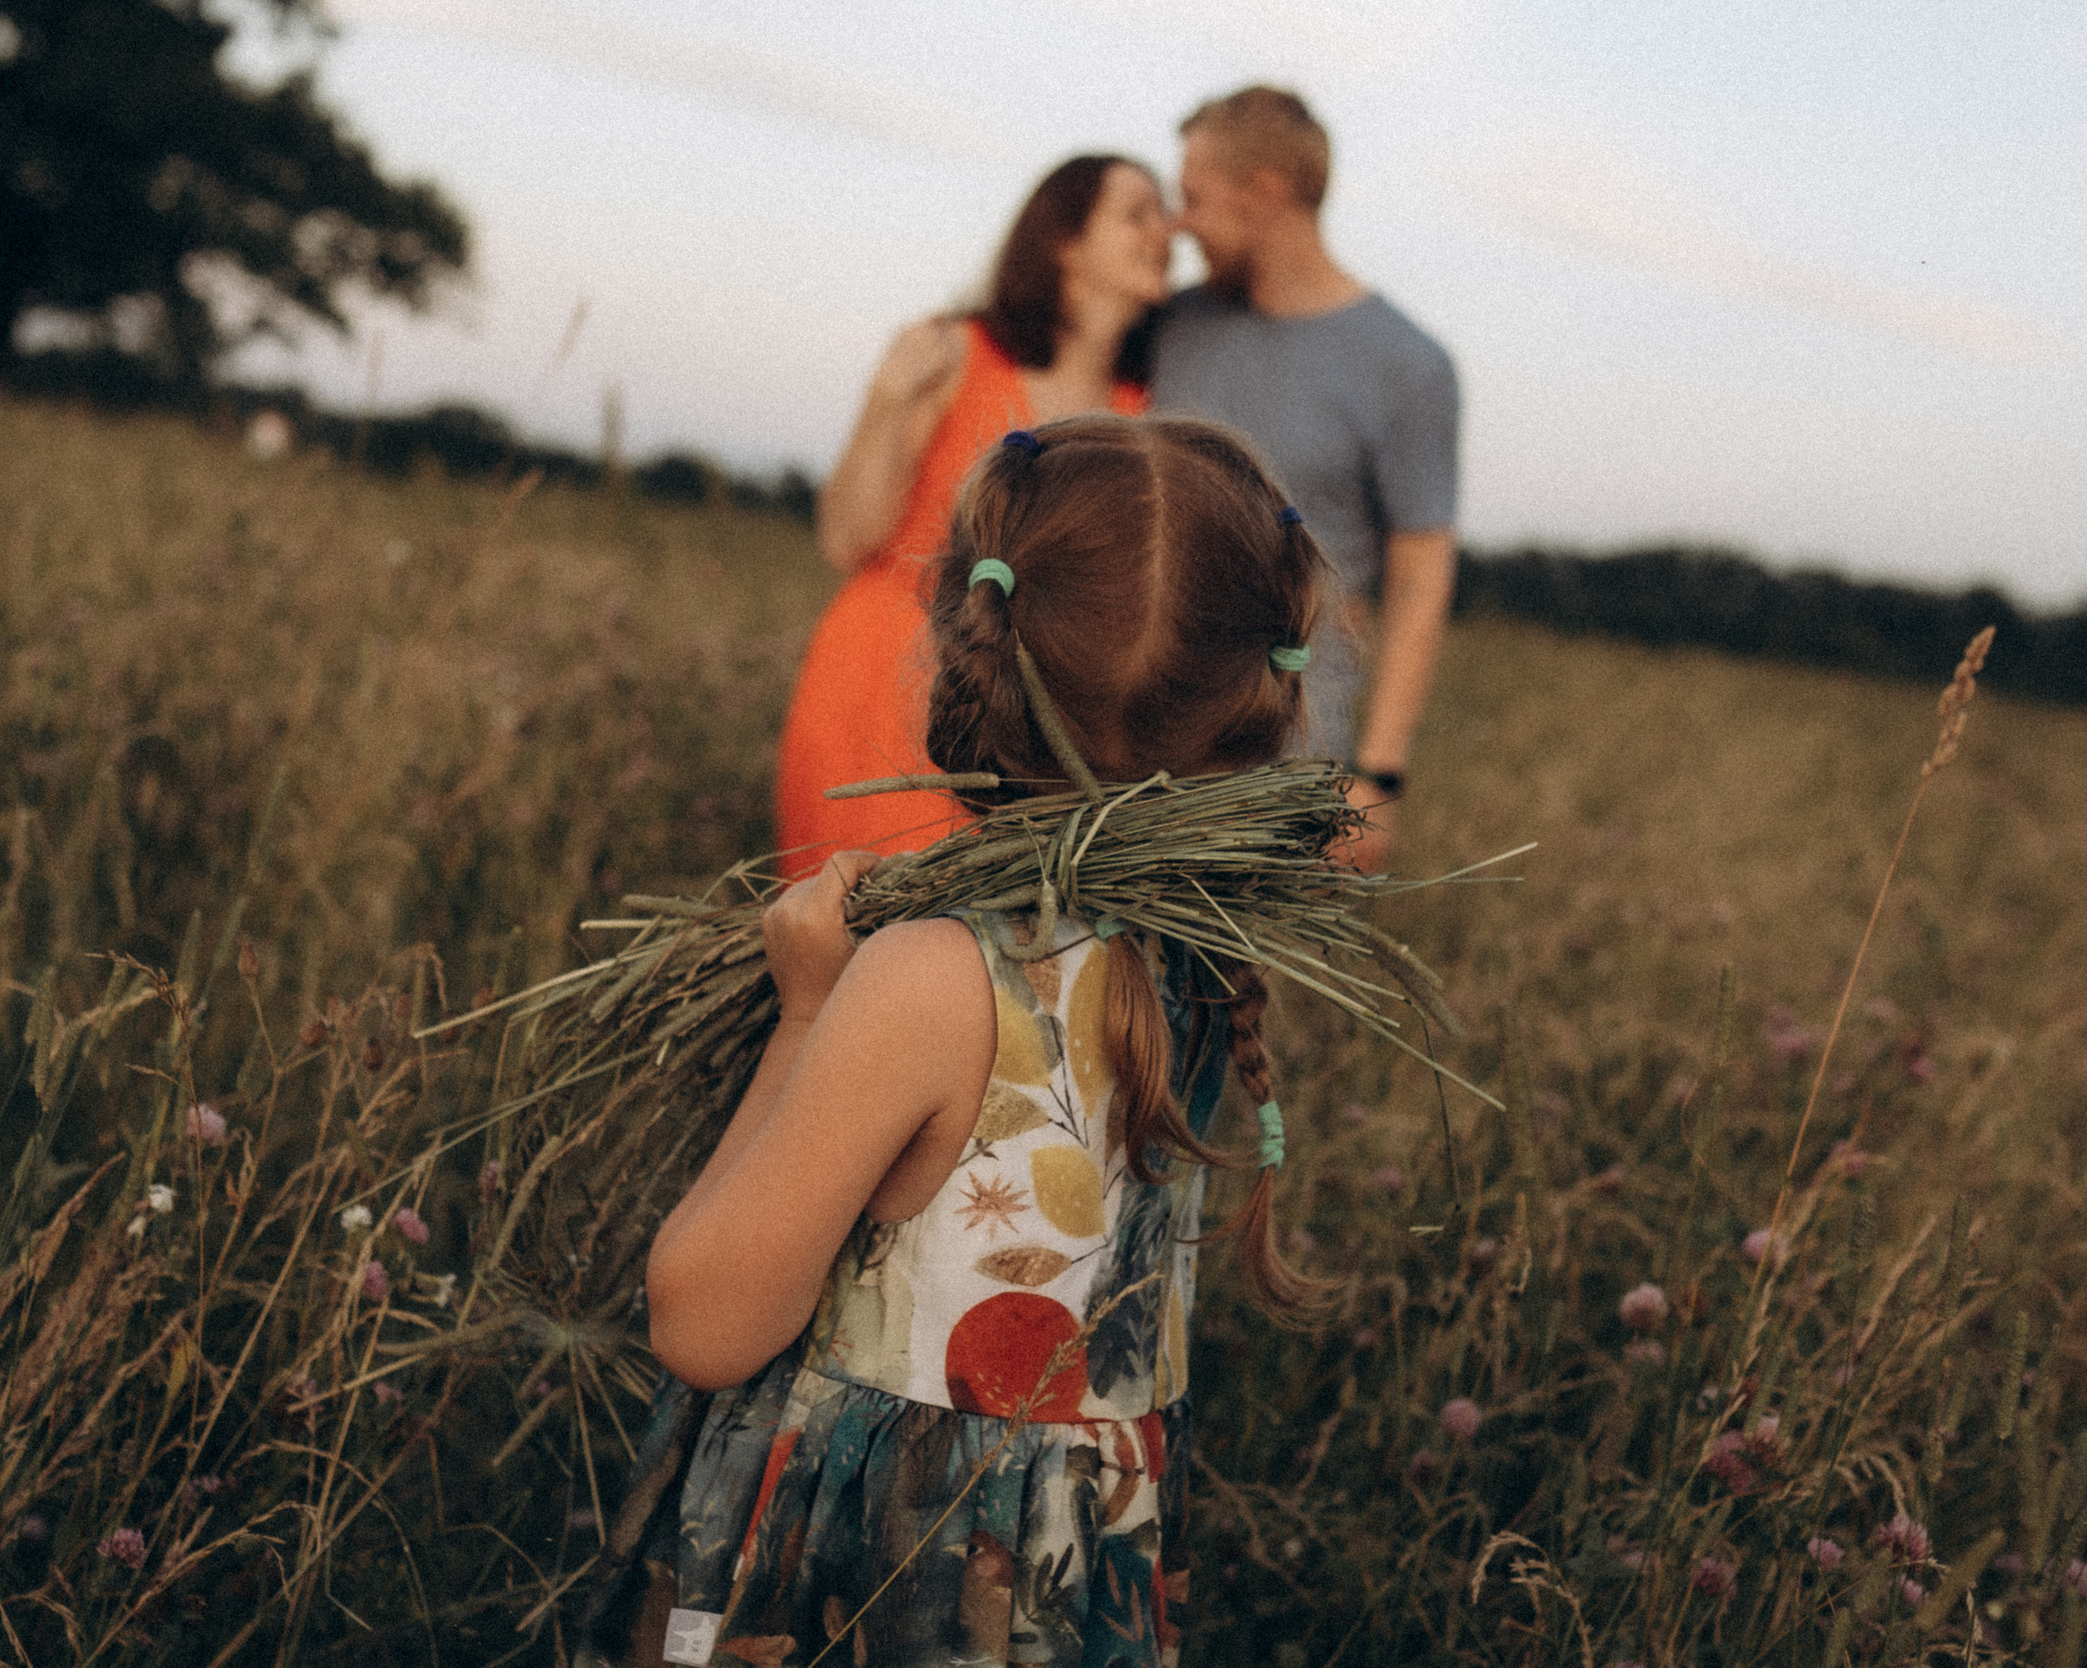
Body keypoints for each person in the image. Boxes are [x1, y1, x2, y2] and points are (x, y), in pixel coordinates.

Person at [574, 416, 1333, 1668]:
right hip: (1064, 1581)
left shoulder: (932, 975)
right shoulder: (1203, 962)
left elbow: (703, 1323)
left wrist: (808, 1008)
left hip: (885, 1585)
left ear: (959, 636)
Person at [773, 155, 1172, 877]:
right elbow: (844, 537)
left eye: (1166, 213)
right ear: (1064, 240)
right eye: (1137, 212)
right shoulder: (957, 353)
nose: (1165, 230)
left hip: (1026, 729)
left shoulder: (1140, 413)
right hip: (883, 691)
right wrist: (887, 396)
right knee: (858, 947)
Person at [1152, 86, 1461, 874]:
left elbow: (1421, 577)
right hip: (1128, 727)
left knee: (1225, 996)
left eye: (1194, 197)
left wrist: (1379, 776)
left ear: (1267, 191)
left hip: (1283, 753)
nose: (1180, 224)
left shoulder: (1408, 366)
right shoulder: (1173, 324)